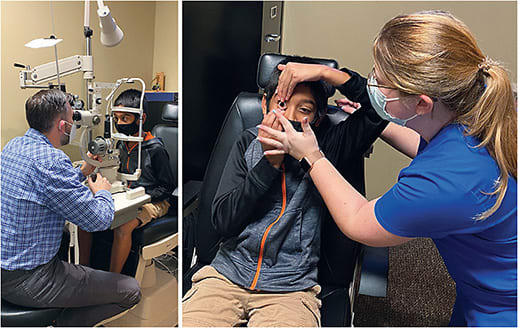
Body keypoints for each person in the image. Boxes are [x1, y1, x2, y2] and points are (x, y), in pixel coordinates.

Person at [260, 11, 517, 327]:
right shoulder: (476, 110)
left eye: (380, 83)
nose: (373, 87)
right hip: (485, 287)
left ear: (422, 104)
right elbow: (428, 147)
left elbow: (358, 221)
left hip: (504, 308)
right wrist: (370, 116)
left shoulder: (445, 180)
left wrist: (311, 156)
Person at [182, 56, 388, 327]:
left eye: (303, 109)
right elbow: (223, 221)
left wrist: (328, 74)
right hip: (226, 277)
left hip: (290, 288)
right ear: (265, 104)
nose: (289, 118)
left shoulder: (328, 148)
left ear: (318, 118)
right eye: (281, 104)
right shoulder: (247, 142)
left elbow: (381, 108)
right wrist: (267, 166)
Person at [0, 89, 141, 327]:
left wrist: (81, 172)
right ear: (63, 125)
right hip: (27, 280)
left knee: (65, 234)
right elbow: (97, 220)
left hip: (7, 268)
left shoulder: (13, 146)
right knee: (131, 290)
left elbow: (47, 187)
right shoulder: (53, 160)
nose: (76, 123)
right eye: (74, 117)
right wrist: (104, 192)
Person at [79, 89, 175, 273]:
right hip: (127, 198)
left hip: (154, 202)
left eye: (125, 118)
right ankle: (84, 271)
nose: (120, 123)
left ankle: (113, 279)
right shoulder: (122, 143)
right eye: (117, 118)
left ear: (141, 119)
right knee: (86, 220)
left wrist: (142, 196)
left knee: (123, 227)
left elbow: (167, 187)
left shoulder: (155, 149)